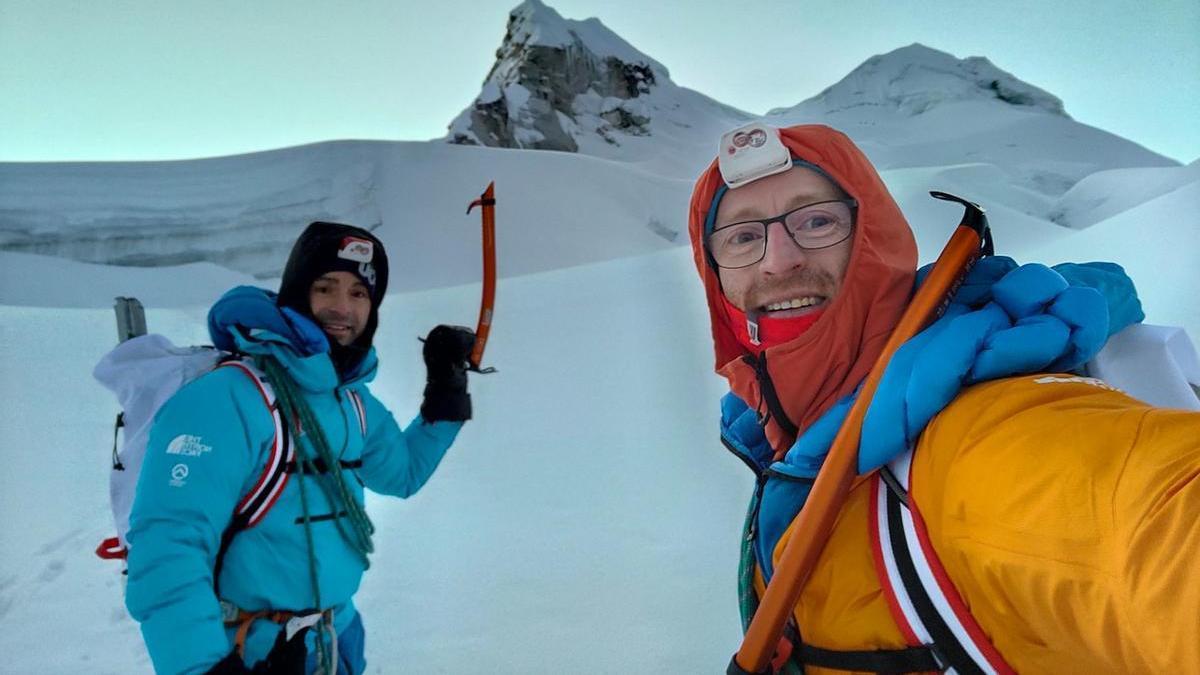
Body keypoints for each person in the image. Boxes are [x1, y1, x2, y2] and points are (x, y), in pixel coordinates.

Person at [688, 123, 1200, 673]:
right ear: (716, 278)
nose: (778, 260)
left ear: (872, 242)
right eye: (742, 237)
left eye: (817, 221)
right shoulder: (785, 436)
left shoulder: (983, 438)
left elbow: (1150, 512)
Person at [125, 221, 477, 674]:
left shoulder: (352, 401)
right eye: (325, 288)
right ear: (296, 293)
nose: (341, 309)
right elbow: (168, 547)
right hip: (247, 651)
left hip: (335, 640)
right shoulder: (229, 398)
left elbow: (402, 475)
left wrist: (445, 391)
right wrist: (204, 669)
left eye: (359, 294)